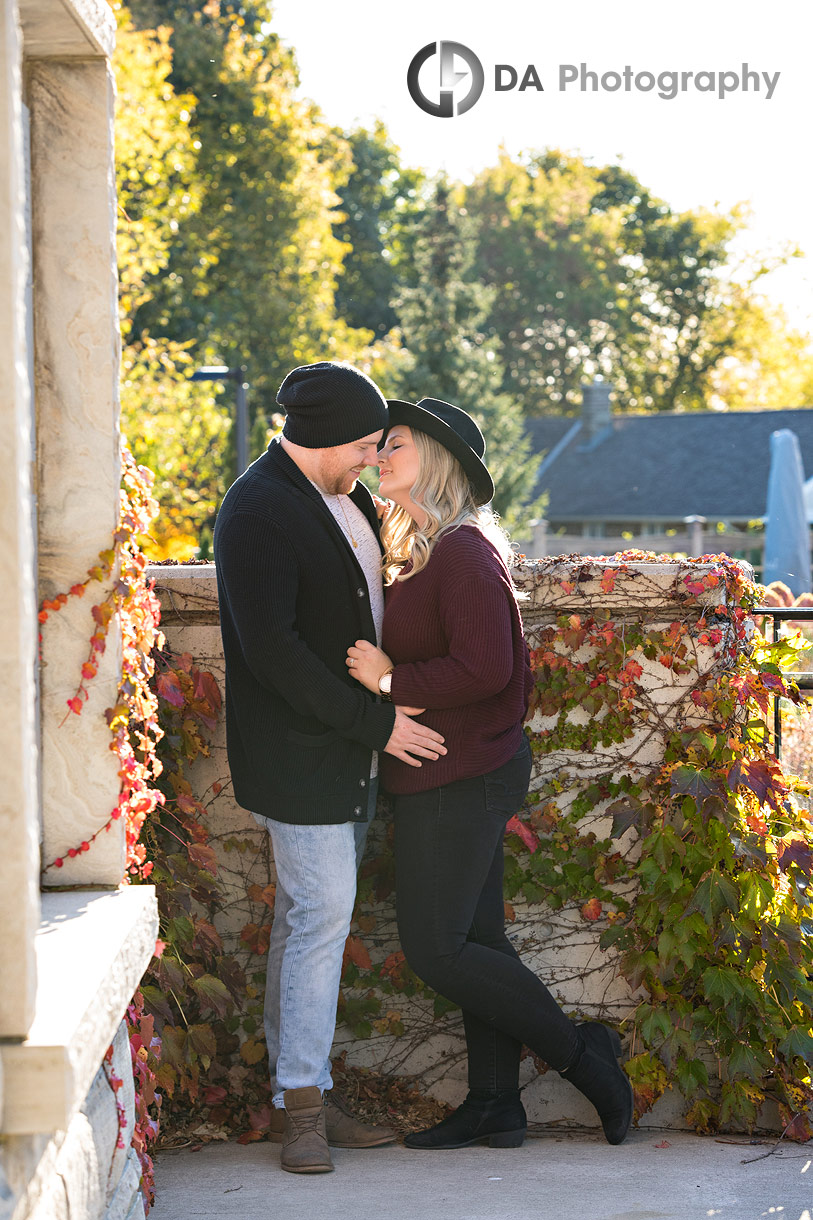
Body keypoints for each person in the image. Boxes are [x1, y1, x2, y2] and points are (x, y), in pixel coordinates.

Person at [346, 397, 634, 1150]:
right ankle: (494, 1104)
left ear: (436, 458)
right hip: (449, 770)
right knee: (478, 943)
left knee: (438, 947)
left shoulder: (466, 551)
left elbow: (485, 668)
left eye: (394, 444)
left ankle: (587, 1062)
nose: (378, 455)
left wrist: (386, 681)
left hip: (464, 772)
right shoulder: (422, 550)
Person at [213, 363, 446, 1174]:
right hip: (302, 756)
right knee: (319, 923)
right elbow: (272, 652)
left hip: (344, 753)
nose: (371, 461)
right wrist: (375, 724)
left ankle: (293, 1094)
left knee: (304, 922)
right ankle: (303, 1108)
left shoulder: (341, 498)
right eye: (363, 445)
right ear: (319, 437)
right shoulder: (256, 511)